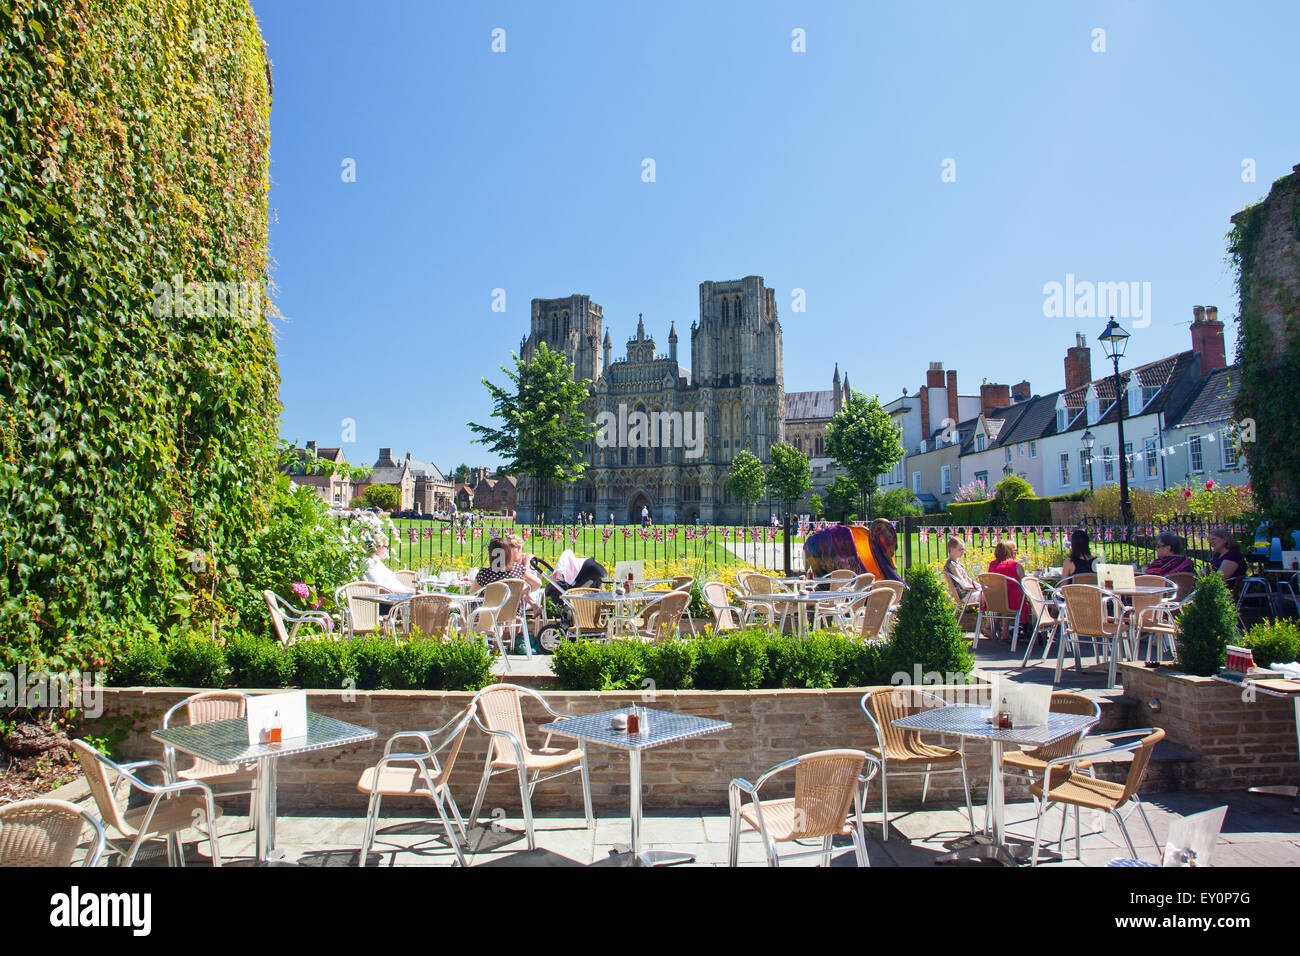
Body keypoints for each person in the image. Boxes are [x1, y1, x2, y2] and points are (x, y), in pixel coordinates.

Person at [987, 540, 1026, 640]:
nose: (1016, 552)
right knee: (1012, 597)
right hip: (1013, 602)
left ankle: (993, 628)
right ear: (1010, 551)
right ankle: (1005, 632)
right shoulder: (1016, 566)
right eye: (1015, 550)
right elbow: (1024, 585)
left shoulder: (992, 565)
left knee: (1004, 597)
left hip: (994, 600)